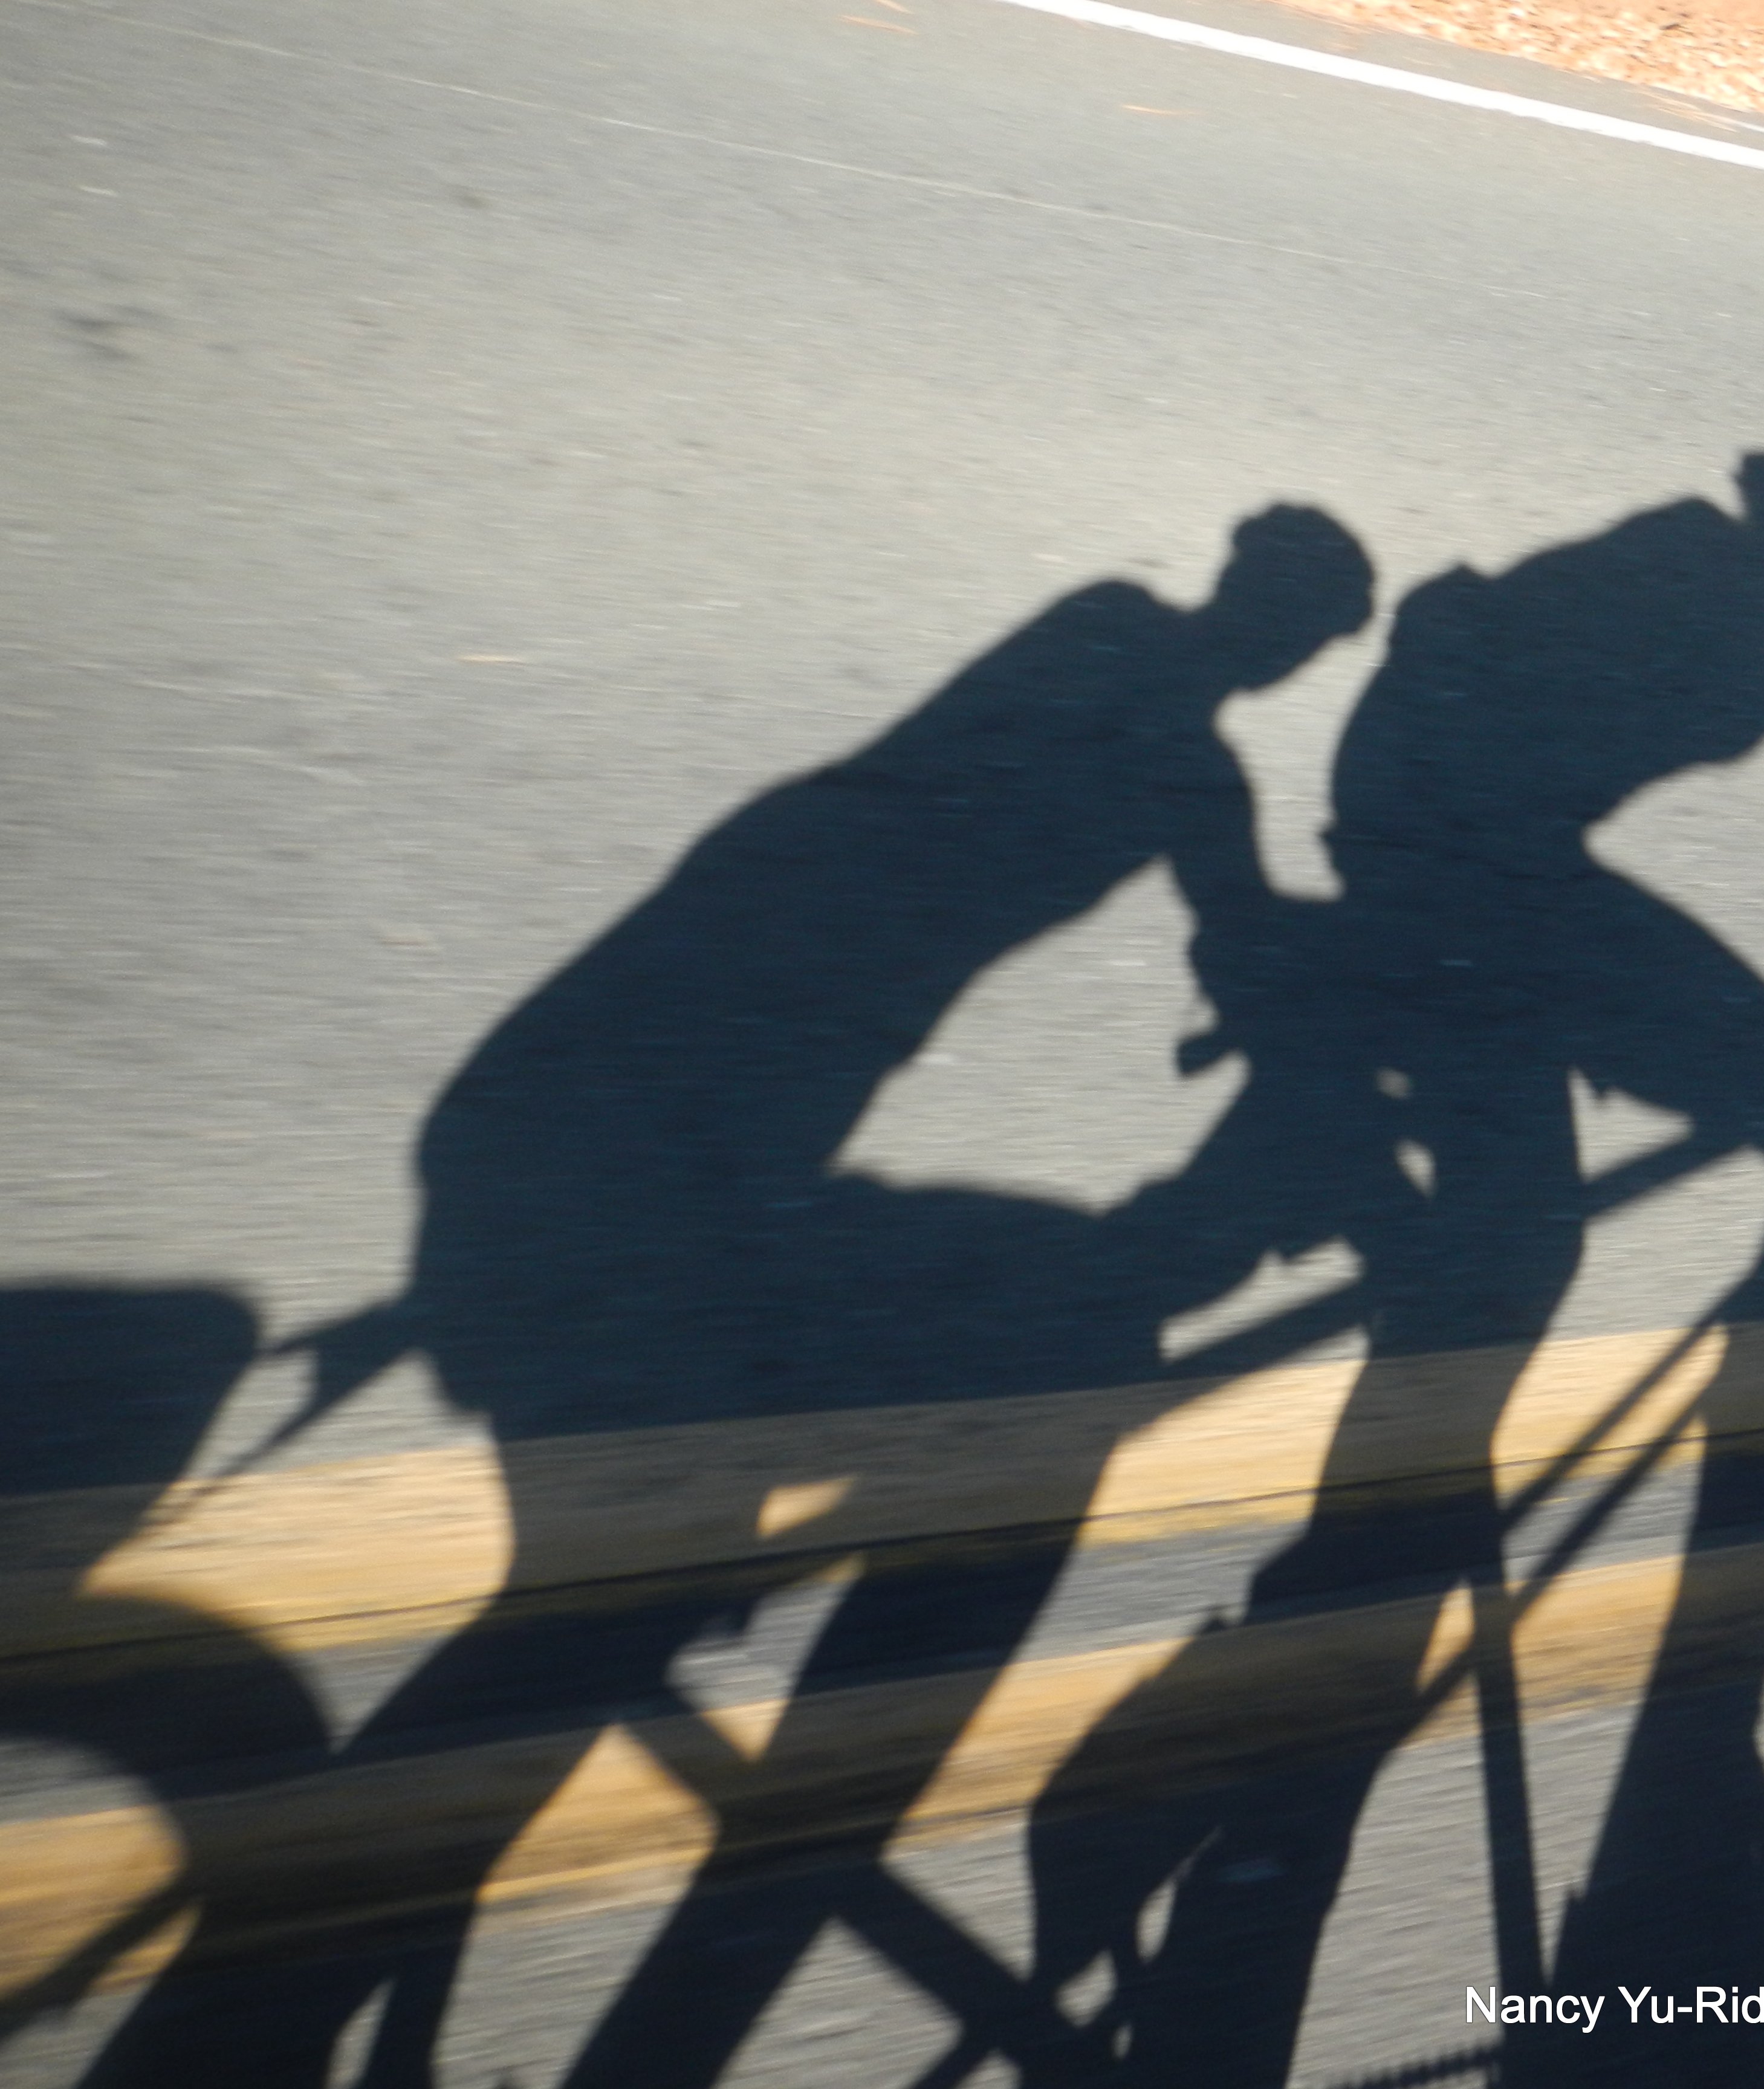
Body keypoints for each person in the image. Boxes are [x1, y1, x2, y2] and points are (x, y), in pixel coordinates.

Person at [94, 508, 1374, 2089]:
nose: (1275, 643)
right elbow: (1243, 930)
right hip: (646, 1167)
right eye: (1291, 616)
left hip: (600, 1130)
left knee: (596, 1609)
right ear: (1259, 604)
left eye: (1299, 628)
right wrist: (1386, 1016)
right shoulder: (1141, 689)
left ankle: (338, 1985)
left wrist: (1312, 970)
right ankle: (333, 2008)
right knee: (1015, 1401)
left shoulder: (1138, 689)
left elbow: (1231, 920)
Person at [1025, 457, 1764, 2085]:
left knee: (1524, 1258)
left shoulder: (1695, 578)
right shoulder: (1727, 610)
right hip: (1477, 876)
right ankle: (1684, 1627)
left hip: (1448, 848)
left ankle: (1326, 1664)